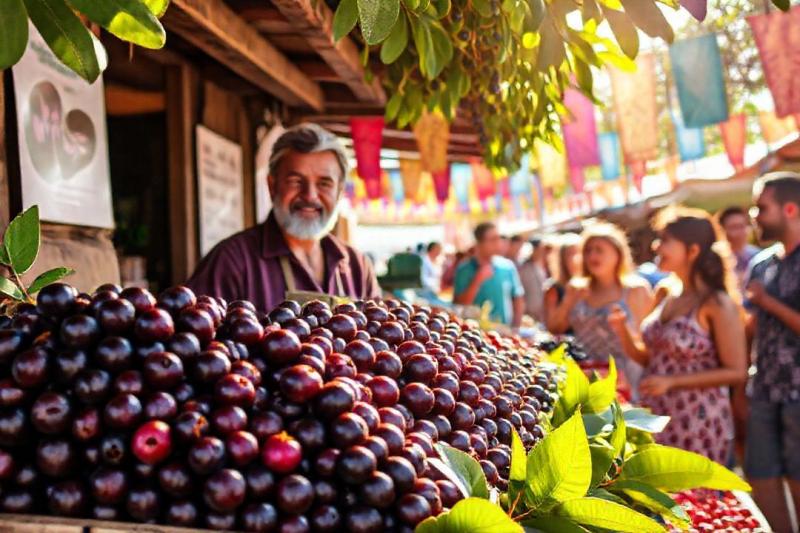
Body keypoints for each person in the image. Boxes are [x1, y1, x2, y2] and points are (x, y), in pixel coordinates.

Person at [187, 123, 381, 311]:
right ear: (272, 186)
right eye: (296, 181)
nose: (310, 195)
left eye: (324, 183)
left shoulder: (357, 267)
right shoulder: (232, 262)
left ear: (339, 192)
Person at [609, 208, 747, 464]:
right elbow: (648, 358)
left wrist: (673, 382)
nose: (656, 246)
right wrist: (622, 331)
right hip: (657, 414)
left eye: (665, 240)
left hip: (698, 420)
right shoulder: (663, 292)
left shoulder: (716, 303)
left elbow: (737, 371)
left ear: (692, 251)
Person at [743, 172, 800, 533]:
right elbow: (751, 329)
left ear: (790, 208)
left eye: (762, 207)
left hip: (799, 393)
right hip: (762, 389)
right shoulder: (760, 263)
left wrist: (767, 302)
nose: (754, 215)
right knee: (759, 474)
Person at [547, 222, 653, 397]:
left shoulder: (636, 289)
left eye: (599, 250)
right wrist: (568, 302)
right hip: (586, 375)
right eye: (587, 250)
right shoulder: (576, 288)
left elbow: (648, 341)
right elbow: (555, 328)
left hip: (628, 379)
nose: (592, 255)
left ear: (617, 253)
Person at [454, 222, 525, 327]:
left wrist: (516, 328)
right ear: (479, 243)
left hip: (503, 334)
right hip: (474, 335)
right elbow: (459, 305)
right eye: (493, 239)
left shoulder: (507, 267)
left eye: (498, 238)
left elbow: (518, 299)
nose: (498, 243)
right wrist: (477, 280)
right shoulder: (464, 269)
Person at [543, 233, 582, 332]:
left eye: (579, 253)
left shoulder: (593, 285)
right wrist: (570, 300)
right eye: (570, 254)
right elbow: (552, 328)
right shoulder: (554, 288)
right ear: (561, 259)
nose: (575, 258)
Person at [718, 206, 760, 294]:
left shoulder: (758, 257)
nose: (740, 232)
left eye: (742, 226)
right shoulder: (715, 258)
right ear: (722, 230)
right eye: (734, 227)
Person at [518, 237, 549, 323]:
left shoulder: (540, 266)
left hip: (541, 315)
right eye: (539, 249)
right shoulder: (523, 268)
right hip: (528, 316)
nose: (541, 252)